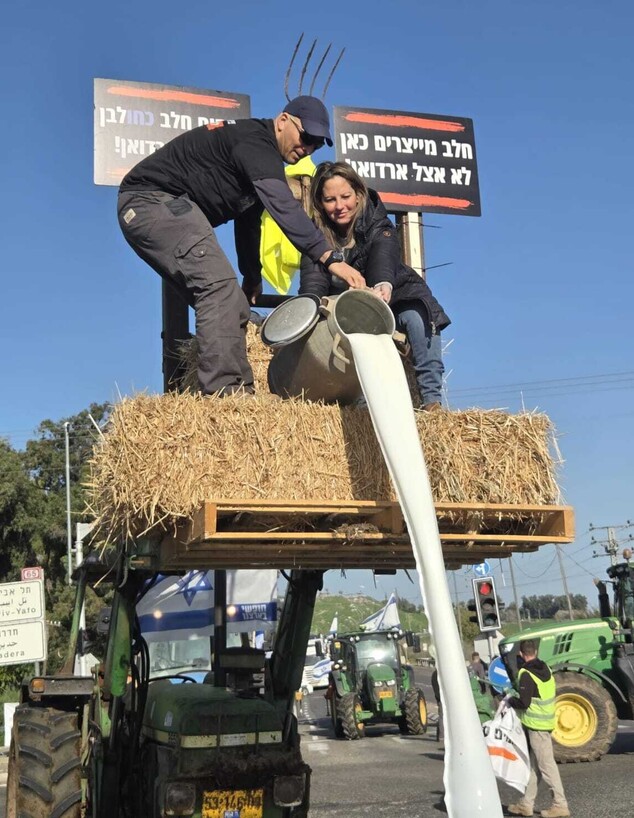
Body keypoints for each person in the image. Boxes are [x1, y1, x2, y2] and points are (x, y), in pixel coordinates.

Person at [117, 97, 365, 396]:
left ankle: (243, 396)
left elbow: (248, 222)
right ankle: (224, 394)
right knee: (218, 289)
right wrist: (330, 258)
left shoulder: (259, 161)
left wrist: (251, 276)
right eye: (306, 136)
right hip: (151, 202)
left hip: (164, 208)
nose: (308, 148)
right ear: (283, 121)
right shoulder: (256, 142)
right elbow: (283, 207)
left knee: (234, 303)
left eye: (317, 144)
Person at [299, 161, 451, 410]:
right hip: (345, 313)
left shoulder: (378, 223)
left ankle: (431, 401)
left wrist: (383, 284)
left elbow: (384, 250)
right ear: (320, 203)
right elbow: (312, 284)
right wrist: (311, 312)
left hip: (395, 295)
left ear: (359, 195)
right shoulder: (316, 240)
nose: (340, 206)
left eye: (346, 196)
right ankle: (359, 403)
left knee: (418, 315)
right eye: (330, 200)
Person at [505, 640, 570, 818]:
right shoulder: (546, 668)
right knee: (536, 767)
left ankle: (560, 805)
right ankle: (526, 804)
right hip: (547, 722)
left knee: (546, 766)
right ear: (536, 651)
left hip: (536, 727)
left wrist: (510, 699)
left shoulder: (526, 674)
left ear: (521, 654)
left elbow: (524, 703)